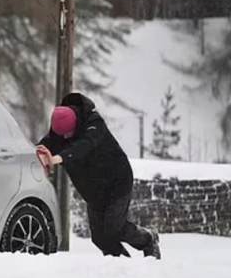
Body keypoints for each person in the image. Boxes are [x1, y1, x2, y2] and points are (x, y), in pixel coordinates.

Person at [37, 92, 161, 259]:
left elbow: (83, 146)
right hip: (93, 190)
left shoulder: (94, 124)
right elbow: (48, 142)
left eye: (68, 134)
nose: (64, 138)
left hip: (117, 183)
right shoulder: (60, 129)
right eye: (61, 135)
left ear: (76, 123)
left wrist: (58, 158)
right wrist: (39, 151)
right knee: (99, 238)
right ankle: (121, 266)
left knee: (113, 229)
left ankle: (148, 240)